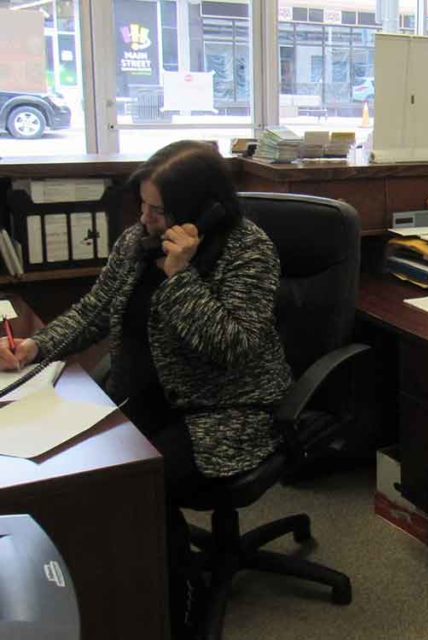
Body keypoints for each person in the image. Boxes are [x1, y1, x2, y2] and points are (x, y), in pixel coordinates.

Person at [0, 140, 293, 638]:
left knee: (136, 482)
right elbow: (94, 310)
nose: (146, 219)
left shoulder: (250, 250)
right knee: (81, 472)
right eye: (144, 206)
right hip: (140, 395)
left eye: (159, 211)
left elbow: (232, 345)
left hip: (222, 410)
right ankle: (119, 587)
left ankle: (178, 604)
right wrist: (34, 346)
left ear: (203, 209)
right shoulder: (139, 242)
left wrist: (180, 278)